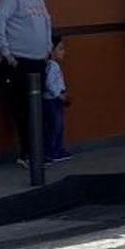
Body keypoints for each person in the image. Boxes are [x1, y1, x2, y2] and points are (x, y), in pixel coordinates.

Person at [0, 0, 53, 167]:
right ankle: (27, 154)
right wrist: (6, 54)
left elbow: (46, 25)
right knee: (24, 110)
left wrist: (47, 49)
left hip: (38, 61)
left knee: (39, 110)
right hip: (18, 62)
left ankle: (38, 152)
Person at [43, 35, 73, 163]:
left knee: (56, 125)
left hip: (54, 98)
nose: (63, 52)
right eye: (60, 49)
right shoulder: (52, 66)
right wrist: (59, 94)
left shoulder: (52, 66)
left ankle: (55, 149)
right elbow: (49, 83)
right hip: (52, 100)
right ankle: (52, 150)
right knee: (55, 125)